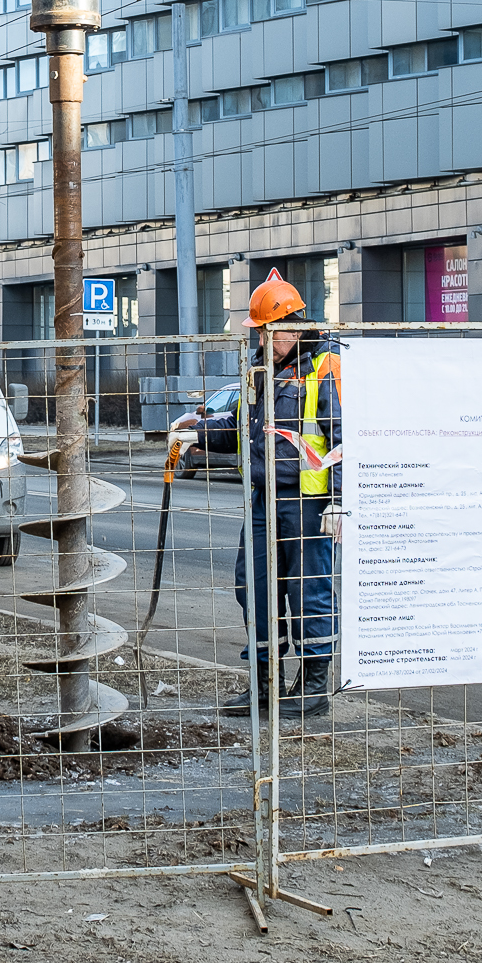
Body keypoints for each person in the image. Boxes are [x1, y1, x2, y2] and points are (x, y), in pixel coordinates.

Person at [175, 268, 341, 719]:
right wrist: (198, 433)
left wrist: (340, 502)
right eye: (259, 334)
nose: (261, 341)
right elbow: (244, 429)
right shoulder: (262, 369)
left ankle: (312, 684)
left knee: (309, 592)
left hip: (308, 504)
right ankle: (264, 682)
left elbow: (345, 438)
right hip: (265, 498)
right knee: (256, 587)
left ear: (287, 326)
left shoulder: (325, 367)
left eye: (265, 332)